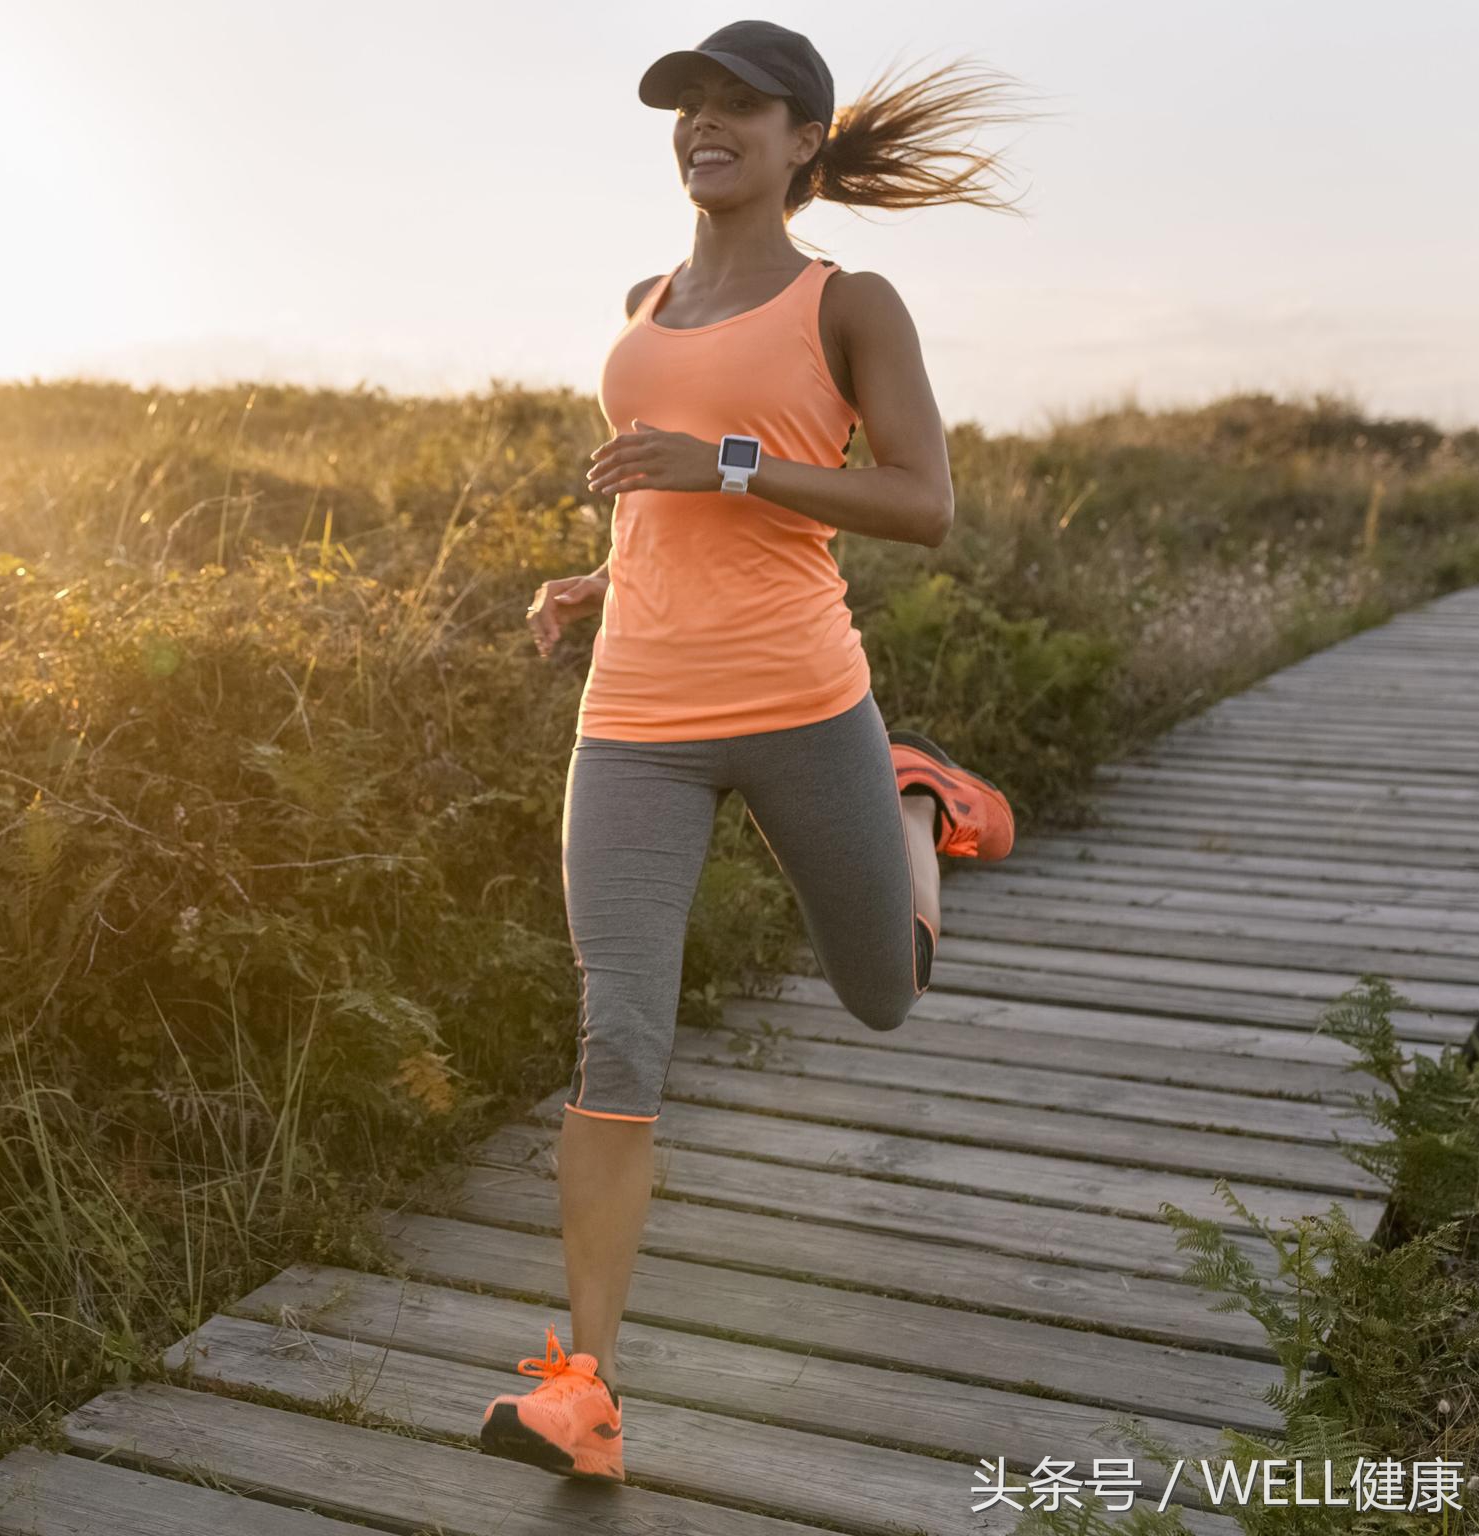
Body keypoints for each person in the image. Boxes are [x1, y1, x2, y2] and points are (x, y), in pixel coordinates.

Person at [479, 20, 1038, 1485]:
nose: (706, 124)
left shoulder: (850, 301)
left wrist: (718, 463)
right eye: (690, 105)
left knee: (883, 995)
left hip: (802, 704)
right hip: (634, 721)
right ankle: (583, 1390)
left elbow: (921, 503)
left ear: (804, 144)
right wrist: (602, 575)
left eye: (744, 107)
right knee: (619, 1029)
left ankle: (915, 801)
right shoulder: (644, 300)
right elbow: (655, 495)